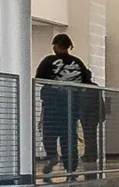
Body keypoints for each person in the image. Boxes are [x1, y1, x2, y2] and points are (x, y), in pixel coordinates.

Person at [36, 32, 94, 177]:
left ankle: (52, 156)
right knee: (69, 136)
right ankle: (71, 167)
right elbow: (86, 82)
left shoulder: (48, 61)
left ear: (56, 45)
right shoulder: (78, 62)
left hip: (52, 104)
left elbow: (39, 78)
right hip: (72, 106)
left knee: (48, 133)